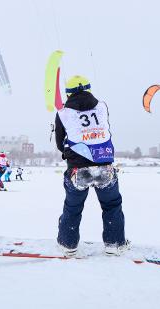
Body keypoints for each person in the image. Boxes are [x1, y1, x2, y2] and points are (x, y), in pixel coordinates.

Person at [54, 75, 126, 257]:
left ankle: (68, 244)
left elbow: (60, 144)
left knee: (73, 207)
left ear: (68, 93)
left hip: (78, 170)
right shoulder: (102, 107)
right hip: (105, 168)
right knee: (111, 205)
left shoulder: (63, 113)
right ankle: (115, 244)